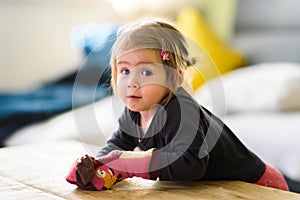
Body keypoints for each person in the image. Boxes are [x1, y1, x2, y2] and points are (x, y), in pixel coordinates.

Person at [66, 18, 289, 191]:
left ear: (175, 77)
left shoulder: (182, 111)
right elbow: (118, 144)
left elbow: (190, 165)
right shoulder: (135, 111)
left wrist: (135, 164)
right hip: (217, 188)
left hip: (257, 183)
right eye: (124, 71)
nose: (132, 82)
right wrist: (99, 165)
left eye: (146, 72)